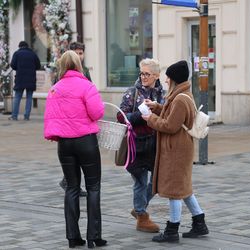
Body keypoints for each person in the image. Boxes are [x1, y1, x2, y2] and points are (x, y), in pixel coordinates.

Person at [44, 50, 107, 249]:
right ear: (79, 65)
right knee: (93, 187)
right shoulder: (87, 86)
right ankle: (93, 237)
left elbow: (50, 117)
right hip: (85, 141)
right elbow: (97, 112)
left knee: (72, 187)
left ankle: (73, 237)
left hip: (64, 144)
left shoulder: (54, 89)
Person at [142, 60, 209, 243]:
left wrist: (151, 119)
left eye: (167, 78)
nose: (165, 81)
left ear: (173, 80)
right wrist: (157, 107)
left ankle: (172, 230)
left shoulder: (179, 98)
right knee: (183, 188)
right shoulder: (183, 95)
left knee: (174, 189)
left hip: (176, 150)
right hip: (180, 147)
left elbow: (171, 125)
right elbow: (174, 116)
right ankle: (199, 222)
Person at [117, 58, 164, 233]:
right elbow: (121, 116)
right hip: (136, 143)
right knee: (140, 181)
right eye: (141, 73)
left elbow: (166, 113)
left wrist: (157, 110)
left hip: (155, 143)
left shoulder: (161, 93)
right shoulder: (132, 92)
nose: (143, 77)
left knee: (158, 180)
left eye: (147, 74)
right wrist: (140, 115)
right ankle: (142, 217)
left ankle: (139, 207)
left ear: (156, 76)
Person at [58, 41, 91, 196]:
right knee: (75, 155)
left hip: (80, 121)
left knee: (78, 155)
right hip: (68, 122)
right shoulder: (60, 73)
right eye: (77, 53)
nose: (79, 56)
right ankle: (71, 183)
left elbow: (89, 91)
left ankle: (69, 182)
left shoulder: (85, 71)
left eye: (81, 53)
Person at [9, 41, 41, 121]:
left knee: (17, 97)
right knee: (29, 97)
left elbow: (12, 65)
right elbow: (38, 65)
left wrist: (19, 68)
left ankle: (14, 116)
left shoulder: (17, 53)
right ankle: (26, 116)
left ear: (20, 46)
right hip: (31, 79)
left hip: (20, 78)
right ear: (27, 46)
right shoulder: (33, 54)